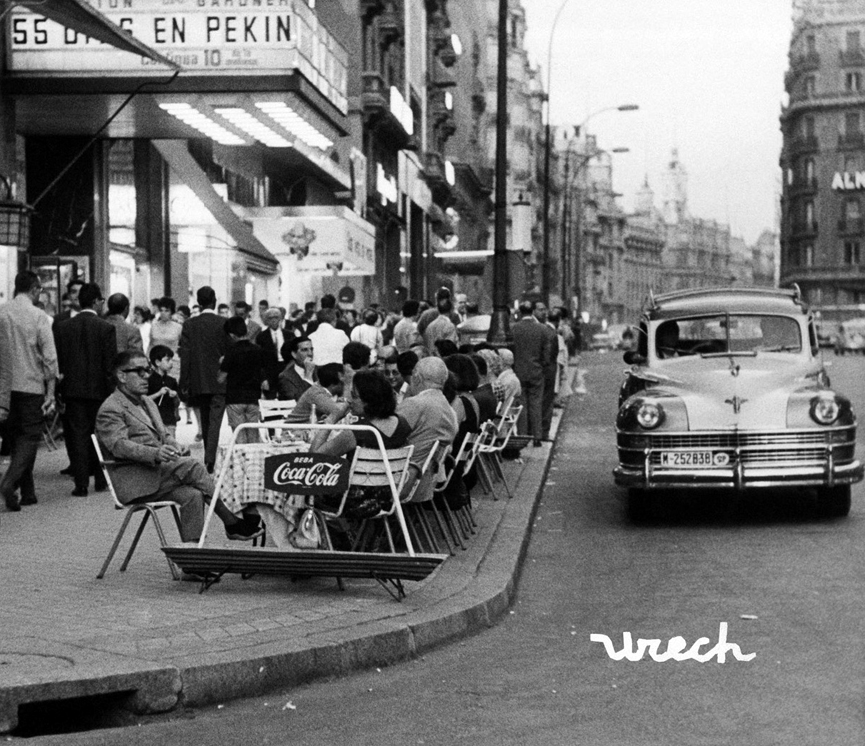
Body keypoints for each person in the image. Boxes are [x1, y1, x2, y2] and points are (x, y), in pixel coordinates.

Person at [96, 352, 263, 544]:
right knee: (193, 467)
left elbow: (163, 435)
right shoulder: (111, 409)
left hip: (155, 475)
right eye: (139, 371)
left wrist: (173, 444)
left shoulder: (147, 401)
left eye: (148, 370)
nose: (146, 376)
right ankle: (231, 522)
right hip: (134, 480)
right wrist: (156, 453)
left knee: (193, 495)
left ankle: (193, 563)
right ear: (122, 375)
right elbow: (118, 446)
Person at [0, 271, 58, 512]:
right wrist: (51, 392)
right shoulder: (38, 316)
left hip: (4, 388)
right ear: (35, 289)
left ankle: (29, 492)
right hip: (31, 386)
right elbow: (50, 357)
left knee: (13, 436)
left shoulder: (2, 312)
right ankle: (8, 482)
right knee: (29, 437)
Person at [54, 282, 116, 496]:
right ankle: (101, 478)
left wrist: (59, 391)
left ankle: (80, 484)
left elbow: (59, 363)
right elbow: (110, 365)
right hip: (100, 391)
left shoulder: (63, 327)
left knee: (78, 436)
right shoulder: (106, 328)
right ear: (96, 301)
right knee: (99, 434)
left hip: (72, 391)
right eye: (101, 301)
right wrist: (112, 392)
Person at [179, 286, 228, 473]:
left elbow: (186, 355)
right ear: (214, 301)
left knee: (206, 420)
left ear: (198, 303)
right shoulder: (224, 323)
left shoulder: (190, 324)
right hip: (220, 380)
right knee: (215, 420)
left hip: (199, 379)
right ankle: (210, 459)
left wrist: (184, 381)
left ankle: (209, 455)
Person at [397, 356, 458, 499]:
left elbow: (386, 435)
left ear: (416, 377)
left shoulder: (415, 404)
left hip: (401, 480)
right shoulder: (450, 409)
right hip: (426, 481)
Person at [312, 369, 411, 457]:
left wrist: (332, 417)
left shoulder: (357, 432)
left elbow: (312, 458)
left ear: (369, 400)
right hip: (393, 477)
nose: (350, 400)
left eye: (354, 396)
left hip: (359, 478)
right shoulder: (402, 423)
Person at [511, 300, 553, 446]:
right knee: (536, 404)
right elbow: (546, 354)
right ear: (532, 312)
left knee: (521, 404)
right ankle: (537, 437)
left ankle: (523, 436)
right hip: (536, 372)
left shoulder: (514, 329)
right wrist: (542, 365)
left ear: (520, 312)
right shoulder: (542, 329)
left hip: (519, 371)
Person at [219, 316, 267, 445]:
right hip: (253, 398)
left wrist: (221, 363)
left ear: (232, 334)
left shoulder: (231, 351)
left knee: (239, 440)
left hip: (235, 398)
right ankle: (254, 464)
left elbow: (221, 378)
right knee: (253, 439)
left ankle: (242, 465)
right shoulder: (258, 350)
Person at [534, 302, 559, 440]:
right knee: (545, 401)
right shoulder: (546, 330)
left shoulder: (545, 329)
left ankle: (538, 431)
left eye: (545, 310)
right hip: (546, 369)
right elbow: (549, 354)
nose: (543, 312)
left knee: (539, 402)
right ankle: (543, 431)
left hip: (543, 369)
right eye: (540, 310)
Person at [147, 345, 180, 438]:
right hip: (153, 420)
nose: (171, 363)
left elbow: (177, 403)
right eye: (168, 360)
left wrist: (175, 395)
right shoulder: (148, 381)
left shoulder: (171, 381)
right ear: (157, 362)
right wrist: (158, 393)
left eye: (172, 360)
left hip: (169, 420)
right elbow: (143, 400)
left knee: (172, 446)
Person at [256, 307, 288, 398]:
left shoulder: (289, 335)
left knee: (287, 397)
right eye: (270, 318)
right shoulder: (261, 337)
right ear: (266, 320)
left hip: (285, 369)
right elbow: (259, 360)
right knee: (270, 399)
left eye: (276, 317)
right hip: (269, 371)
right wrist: (263, 378)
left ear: (280, 318)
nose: (273, 320)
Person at [149, 297, 183, 380]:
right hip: (156, 364)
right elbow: (151, 344)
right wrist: (148, 360)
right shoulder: (154, 326)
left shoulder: (178, 327)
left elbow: (182, 346)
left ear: (171, 312)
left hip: (172, 364)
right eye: (161, 310)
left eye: (166, 310)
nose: (163, 313)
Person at [277, 336, 315, 401]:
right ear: (294, 354)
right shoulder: (286, 377)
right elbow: (297, 402)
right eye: (304, 350)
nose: (310, 353)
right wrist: (308, 376)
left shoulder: (319, 371)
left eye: (311, 349)